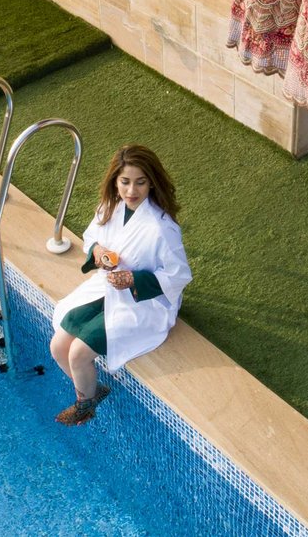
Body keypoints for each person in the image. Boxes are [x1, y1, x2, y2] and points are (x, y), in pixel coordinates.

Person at [48, 145, 191, 426]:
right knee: (58, 346)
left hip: (144, 302)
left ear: (152, 182)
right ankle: (94, 390)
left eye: (140, 182)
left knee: (78, 353)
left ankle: (84, 405)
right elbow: (91, 237)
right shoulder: (110, 207)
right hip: (106, 289)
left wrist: (133, 280)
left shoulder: (162, 228)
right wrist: (98, 252)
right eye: (125, 181)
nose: (131, 191)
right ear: (115, 180)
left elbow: (179, 275)